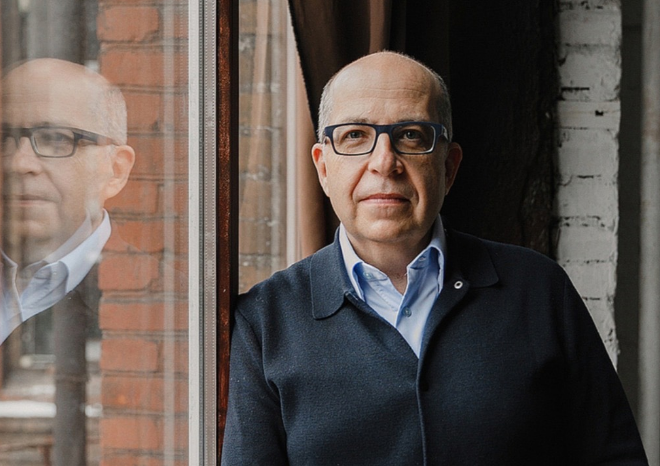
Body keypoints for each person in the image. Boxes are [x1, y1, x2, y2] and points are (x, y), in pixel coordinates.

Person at [221, 51, 647, 465]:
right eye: (354, 136)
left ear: (449, 167)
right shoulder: (264, 323)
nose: (384, 163)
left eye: (411, 135)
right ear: (323, 168)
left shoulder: (539, 291)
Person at [0, 58, 135, 344]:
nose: (18, 163)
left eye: (56, 139)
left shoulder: (172, 306)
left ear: (115, 171)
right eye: (2, 139)